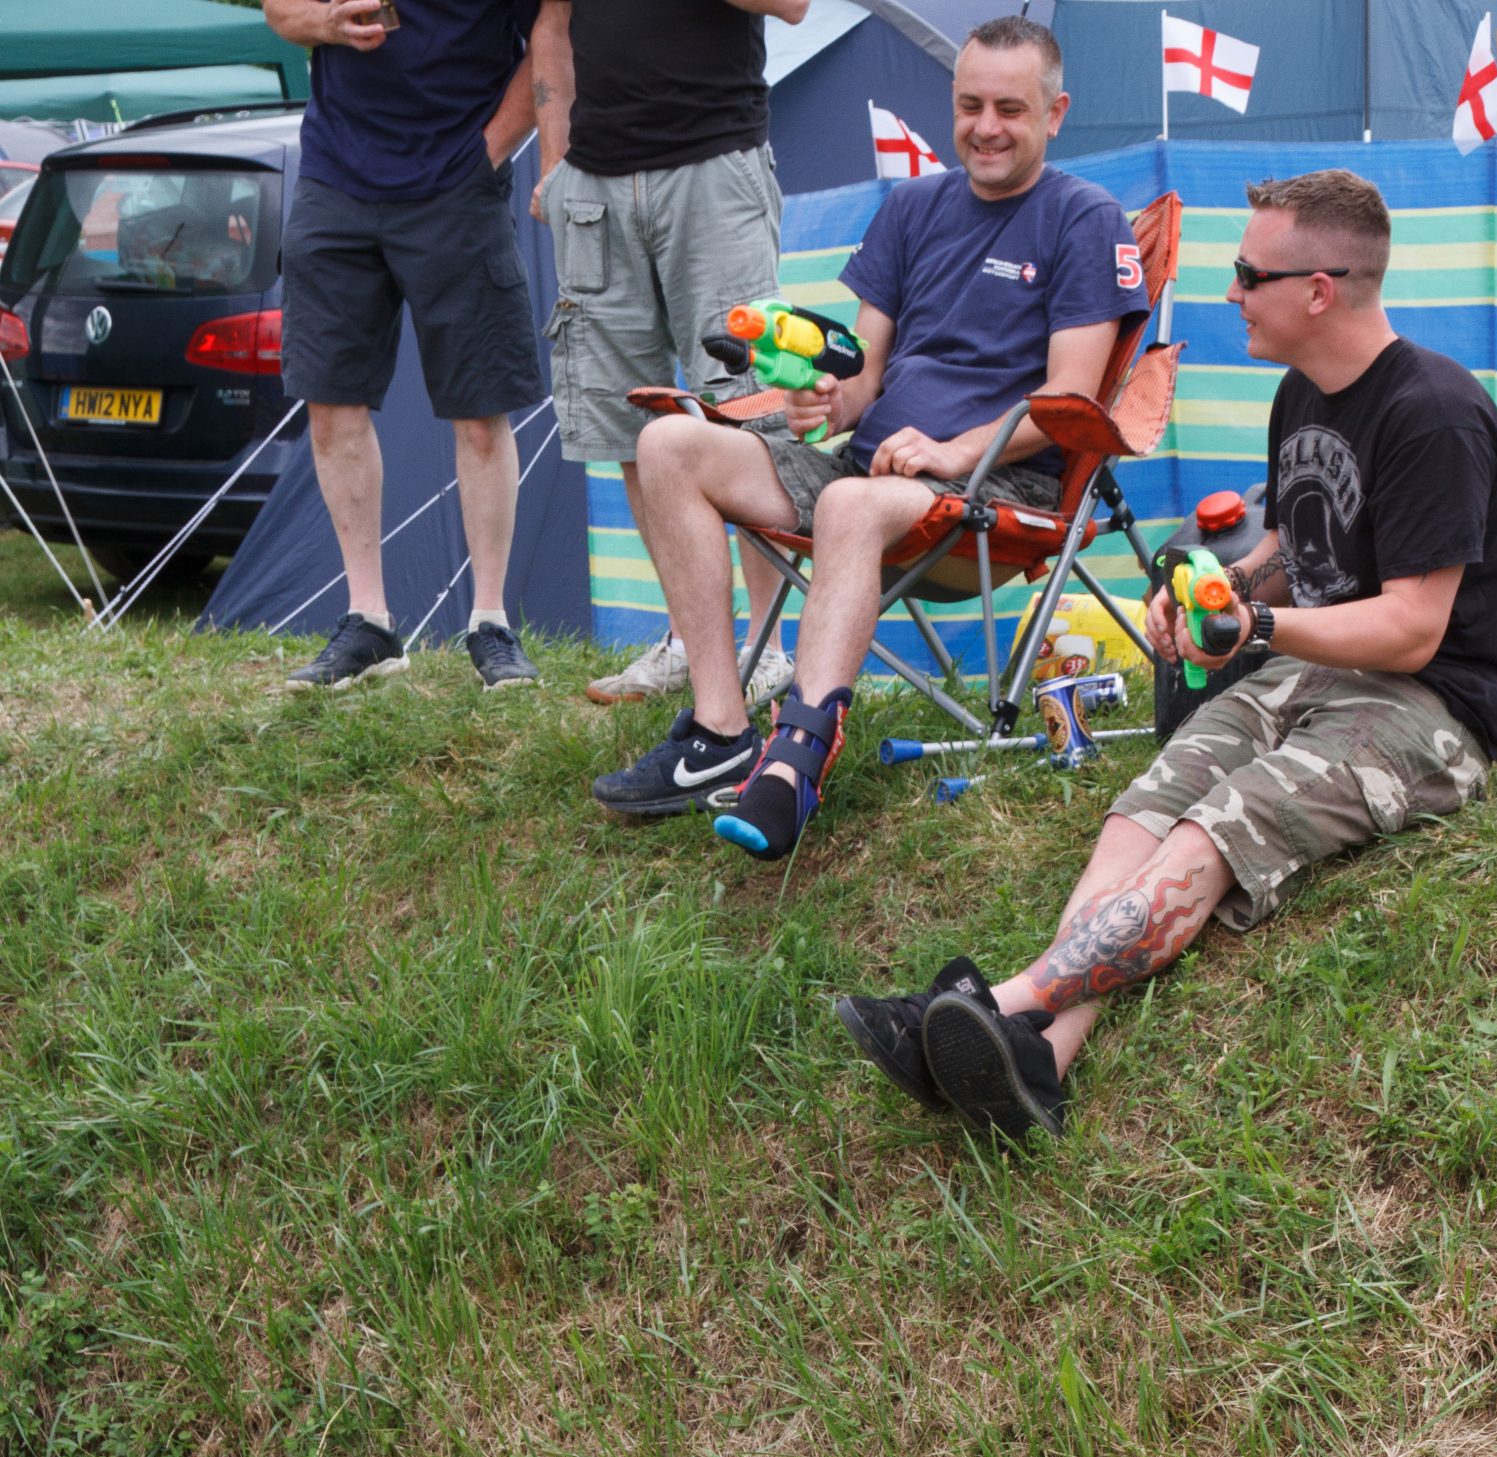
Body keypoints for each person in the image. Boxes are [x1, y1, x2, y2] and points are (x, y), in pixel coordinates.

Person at [834, 167, 1497, 1141]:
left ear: (1319, 289)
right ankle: (1044, 1056)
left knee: (1218, 828)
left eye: (1248, 273)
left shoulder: (1434, 412)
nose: (1227, 293)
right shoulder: (1304, 394)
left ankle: (997, 1002)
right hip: (1312, 669)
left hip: (1431, 703)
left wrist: (1254, 632)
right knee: (1146, 812)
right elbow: (1306, 542)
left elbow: (1415, 625)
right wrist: (1232, 589)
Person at [589, 15, 1148, 853]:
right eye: (968, 105)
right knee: (669, 442)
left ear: (1054, 113)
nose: (985, 127)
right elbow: (862, 379)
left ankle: (794, 763)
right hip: (869, 468)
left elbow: (1067, 396)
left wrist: (955, 453)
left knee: (850, 501)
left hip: (996, 493)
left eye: (1010, 108)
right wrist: (826, 403)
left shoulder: (1083, 218)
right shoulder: (913, 205)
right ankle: (719, 730)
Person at [264, 0, 549, 691]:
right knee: (330, 403)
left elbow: (550, 43)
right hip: (336, 178)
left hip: (457, 187)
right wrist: (326, 22)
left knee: (481, 412)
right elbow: (280, 10)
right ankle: (369, 622)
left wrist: (488, 151)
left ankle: (490, 622)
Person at [526, 0, 801, 712]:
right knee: (632, 423)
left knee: (745, 411)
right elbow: (552, 25)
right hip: (593, 182)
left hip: (714, 170)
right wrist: (555, 165)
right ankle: (688, 641)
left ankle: (767, 649)